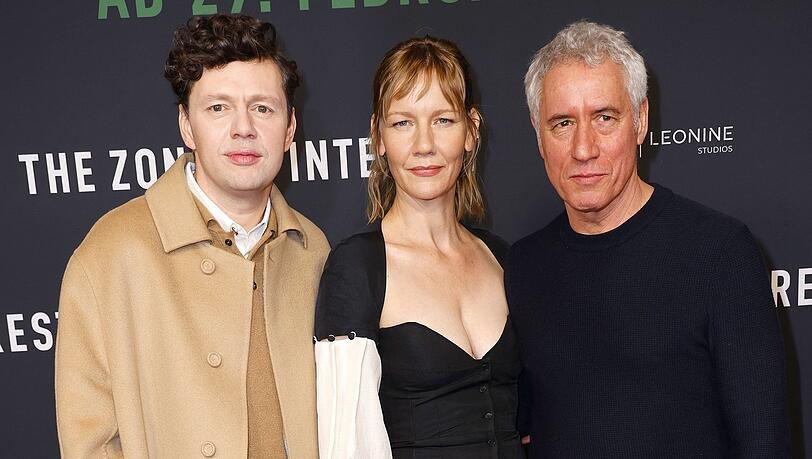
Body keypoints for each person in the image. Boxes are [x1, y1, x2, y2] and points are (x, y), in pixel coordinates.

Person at [507, 20, 789, 457]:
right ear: (538, 134)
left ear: (639, 121)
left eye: (604, 117)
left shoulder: (720, 254)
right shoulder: (522, 268)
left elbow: (763, 443)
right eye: (562, 123)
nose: (584, 149)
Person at [55, 14, 329, 458]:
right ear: (186, 125)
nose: (244, 127)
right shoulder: (111, 253)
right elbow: (90, 442)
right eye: (218, 107)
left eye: (262, 108)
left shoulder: (313, 250)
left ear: (290, 128)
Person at [314, 36, 525, 458]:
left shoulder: (501, 258)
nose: (423, 145)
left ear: (471, 131)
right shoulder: (358, 269)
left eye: (443, 120)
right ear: (378, 136)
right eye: (403, 123)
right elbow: (346, 443)